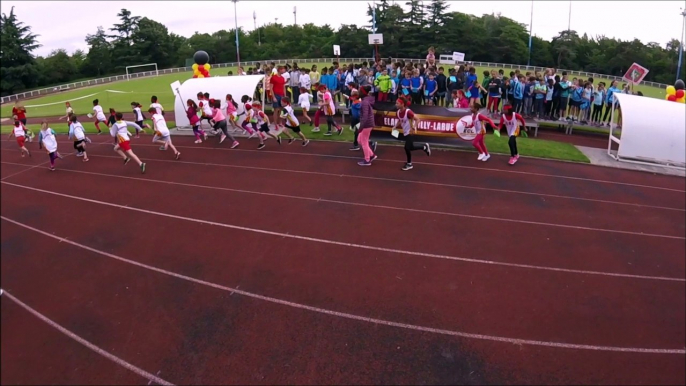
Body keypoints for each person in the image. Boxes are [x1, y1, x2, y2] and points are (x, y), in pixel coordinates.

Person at [391, 96, 431, 171]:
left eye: (397, 103)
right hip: (406, 131)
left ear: (402, 104)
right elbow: (400, 120)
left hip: (411, 131)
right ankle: (424, 147)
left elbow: (418, 119)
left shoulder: (408, 112)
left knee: (407, 148)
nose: (396, 105)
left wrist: (413, 127)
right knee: (411, 147)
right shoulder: (398, 113)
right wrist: (395, 126)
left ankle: (409, 164)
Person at [357, 85, 379, 166]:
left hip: (367, 124)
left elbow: (365, 116)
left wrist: (361, 126)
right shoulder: (365, 100)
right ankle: (372, 155)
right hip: (368, 124)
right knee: (359, 140)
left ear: (363, 92)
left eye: (359, 91)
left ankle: (367, 160)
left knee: (364, 142)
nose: (358, 92)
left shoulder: (365, 102)